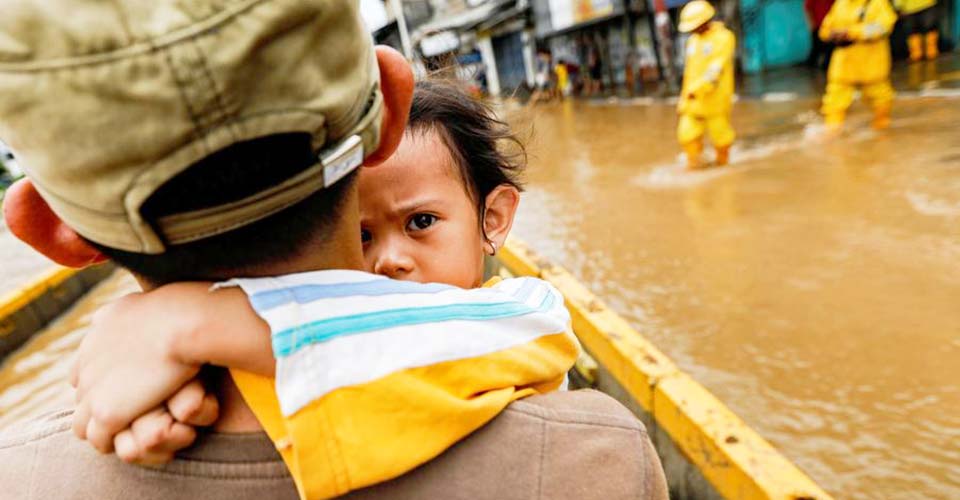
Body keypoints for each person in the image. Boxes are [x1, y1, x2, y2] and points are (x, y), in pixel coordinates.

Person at [0, 2, 669, 500]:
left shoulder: (23, 473)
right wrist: (209, 324)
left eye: (422, 223)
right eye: (375, 233)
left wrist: (199, 321)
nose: (393, 261)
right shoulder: (599, 459)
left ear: (49, 228)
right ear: (390, 111)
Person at [819, 0, 898, 132]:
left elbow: (884, 26)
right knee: (833, 102)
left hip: (871, 64)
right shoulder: (840, 4)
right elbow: (825, 28)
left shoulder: (878, 4)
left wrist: (852, 32)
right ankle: (832, 134)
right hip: (843, 65)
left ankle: (881, 129)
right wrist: (831, 34)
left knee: (880, 97)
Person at [676, 1, 737, 170]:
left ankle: (723, 167)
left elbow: (715, 70)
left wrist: (698, 89)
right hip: (692, 101)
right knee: (686, 135)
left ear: (705, 21)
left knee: (721, 137)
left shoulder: (724, 38)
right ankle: (695, 168)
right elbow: (689, 73)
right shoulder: (692, 42)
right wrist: (683, 100)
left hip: (715, 100)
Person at [805, 0, 836, 70]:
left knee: (829, 49)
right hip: (819, 26)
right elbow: (808, 8)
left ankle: (825, 64)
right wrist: (812, 25)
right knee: (817, 48)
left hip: (831, 27)